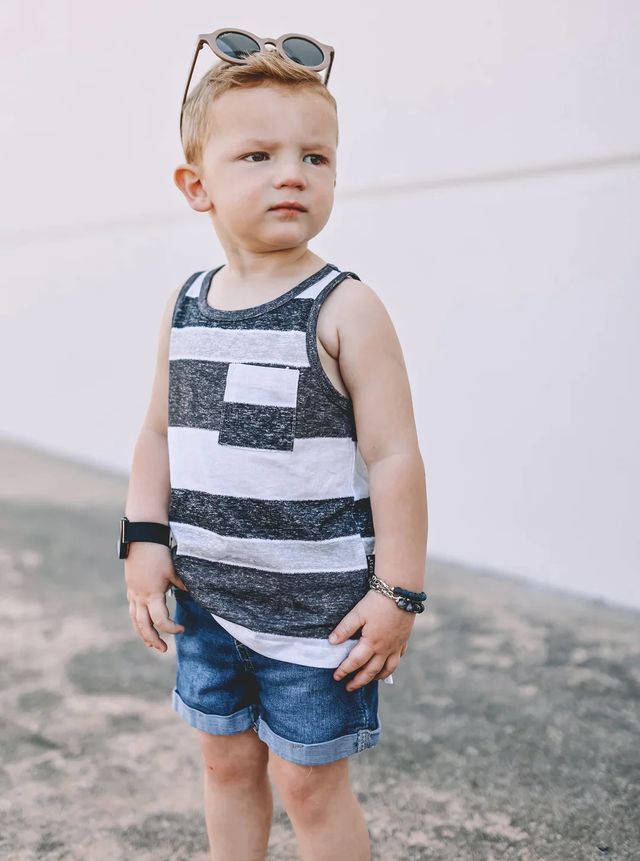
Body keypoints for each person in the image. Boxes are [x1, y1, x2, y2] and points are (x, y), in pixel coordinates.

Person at [122, 32, 428, 861]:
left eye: (315, 157)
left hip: (317, 620)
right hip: (209, 602)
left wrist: (397, 594)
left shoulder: (344, 306)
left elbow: (396, 456)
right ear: (198, 186)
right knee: (223, 762)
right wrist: (144, 538)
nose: (292, 173)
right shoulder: (187, 306)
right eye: (257, 154)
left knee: (308, 782)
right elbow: (158, 431)